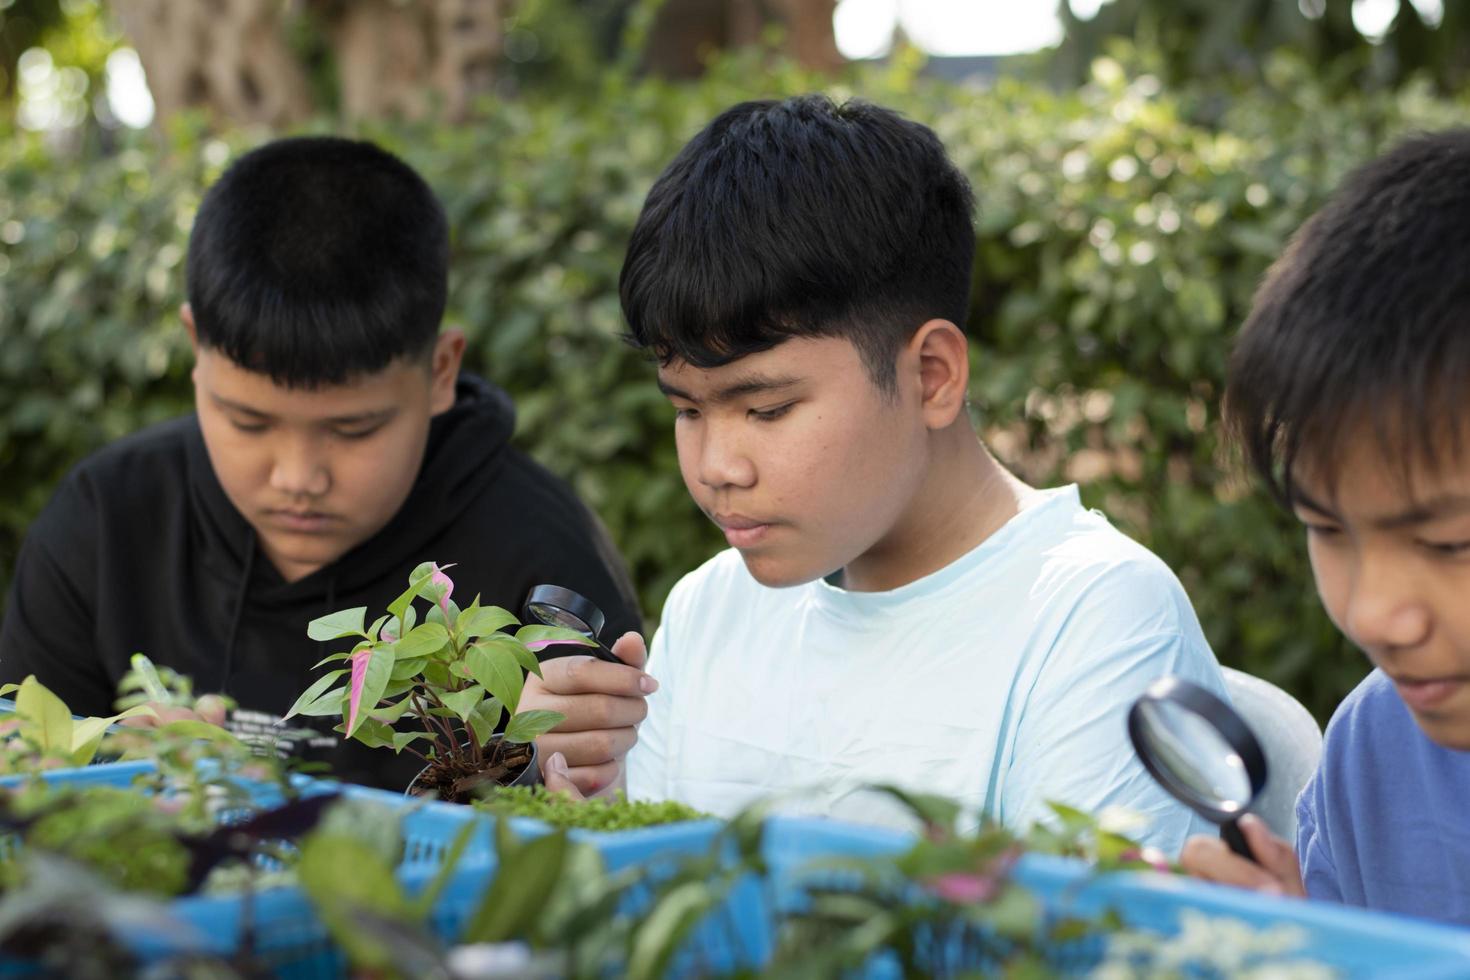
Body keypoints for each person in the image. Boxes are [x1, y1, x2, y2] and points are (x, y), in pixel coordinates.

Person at [528, 95, 1225, 854]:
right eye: (688, 411)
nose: (715, 469)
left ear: (931, 375)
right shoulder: (710, 611)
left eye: (766, 409)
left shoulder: (1093, 619)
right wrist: (583, 794)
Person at [0, 136, 642, 789]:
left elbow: (611, 834)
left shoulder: (543, 560)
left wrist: (541, 772)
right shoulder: (106, 522)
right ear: (196, 347)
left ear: (440, 370)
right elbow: (20, 782)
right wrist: (104, 760)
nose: (297, 478)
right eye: (248, 422)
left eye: (353, 428)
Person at [1179, 130, 1470, 926]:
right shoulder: (1375, 749)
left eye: (1451, 543)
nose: (1374, 615)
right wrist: (1309, 943)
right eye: (1326, 527)